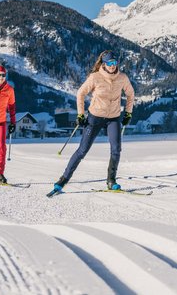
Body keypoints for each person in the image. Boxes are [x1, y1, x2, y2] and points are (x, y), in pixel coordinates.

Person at [53, 50, 134, 192]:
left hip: (113, 118)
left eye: (114, 63)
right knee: (82, 150)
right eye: (109, 63)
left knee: (116, 149)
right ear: (104, 64)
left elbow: (130, 94)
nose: (112, 66)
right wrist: (80, 114)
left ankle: (111, 181)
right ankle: (64, 179)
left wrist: (128, 113)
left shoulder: (122, 77)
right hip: (95, 117)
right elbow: (81, 93)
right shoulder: (95, 77)